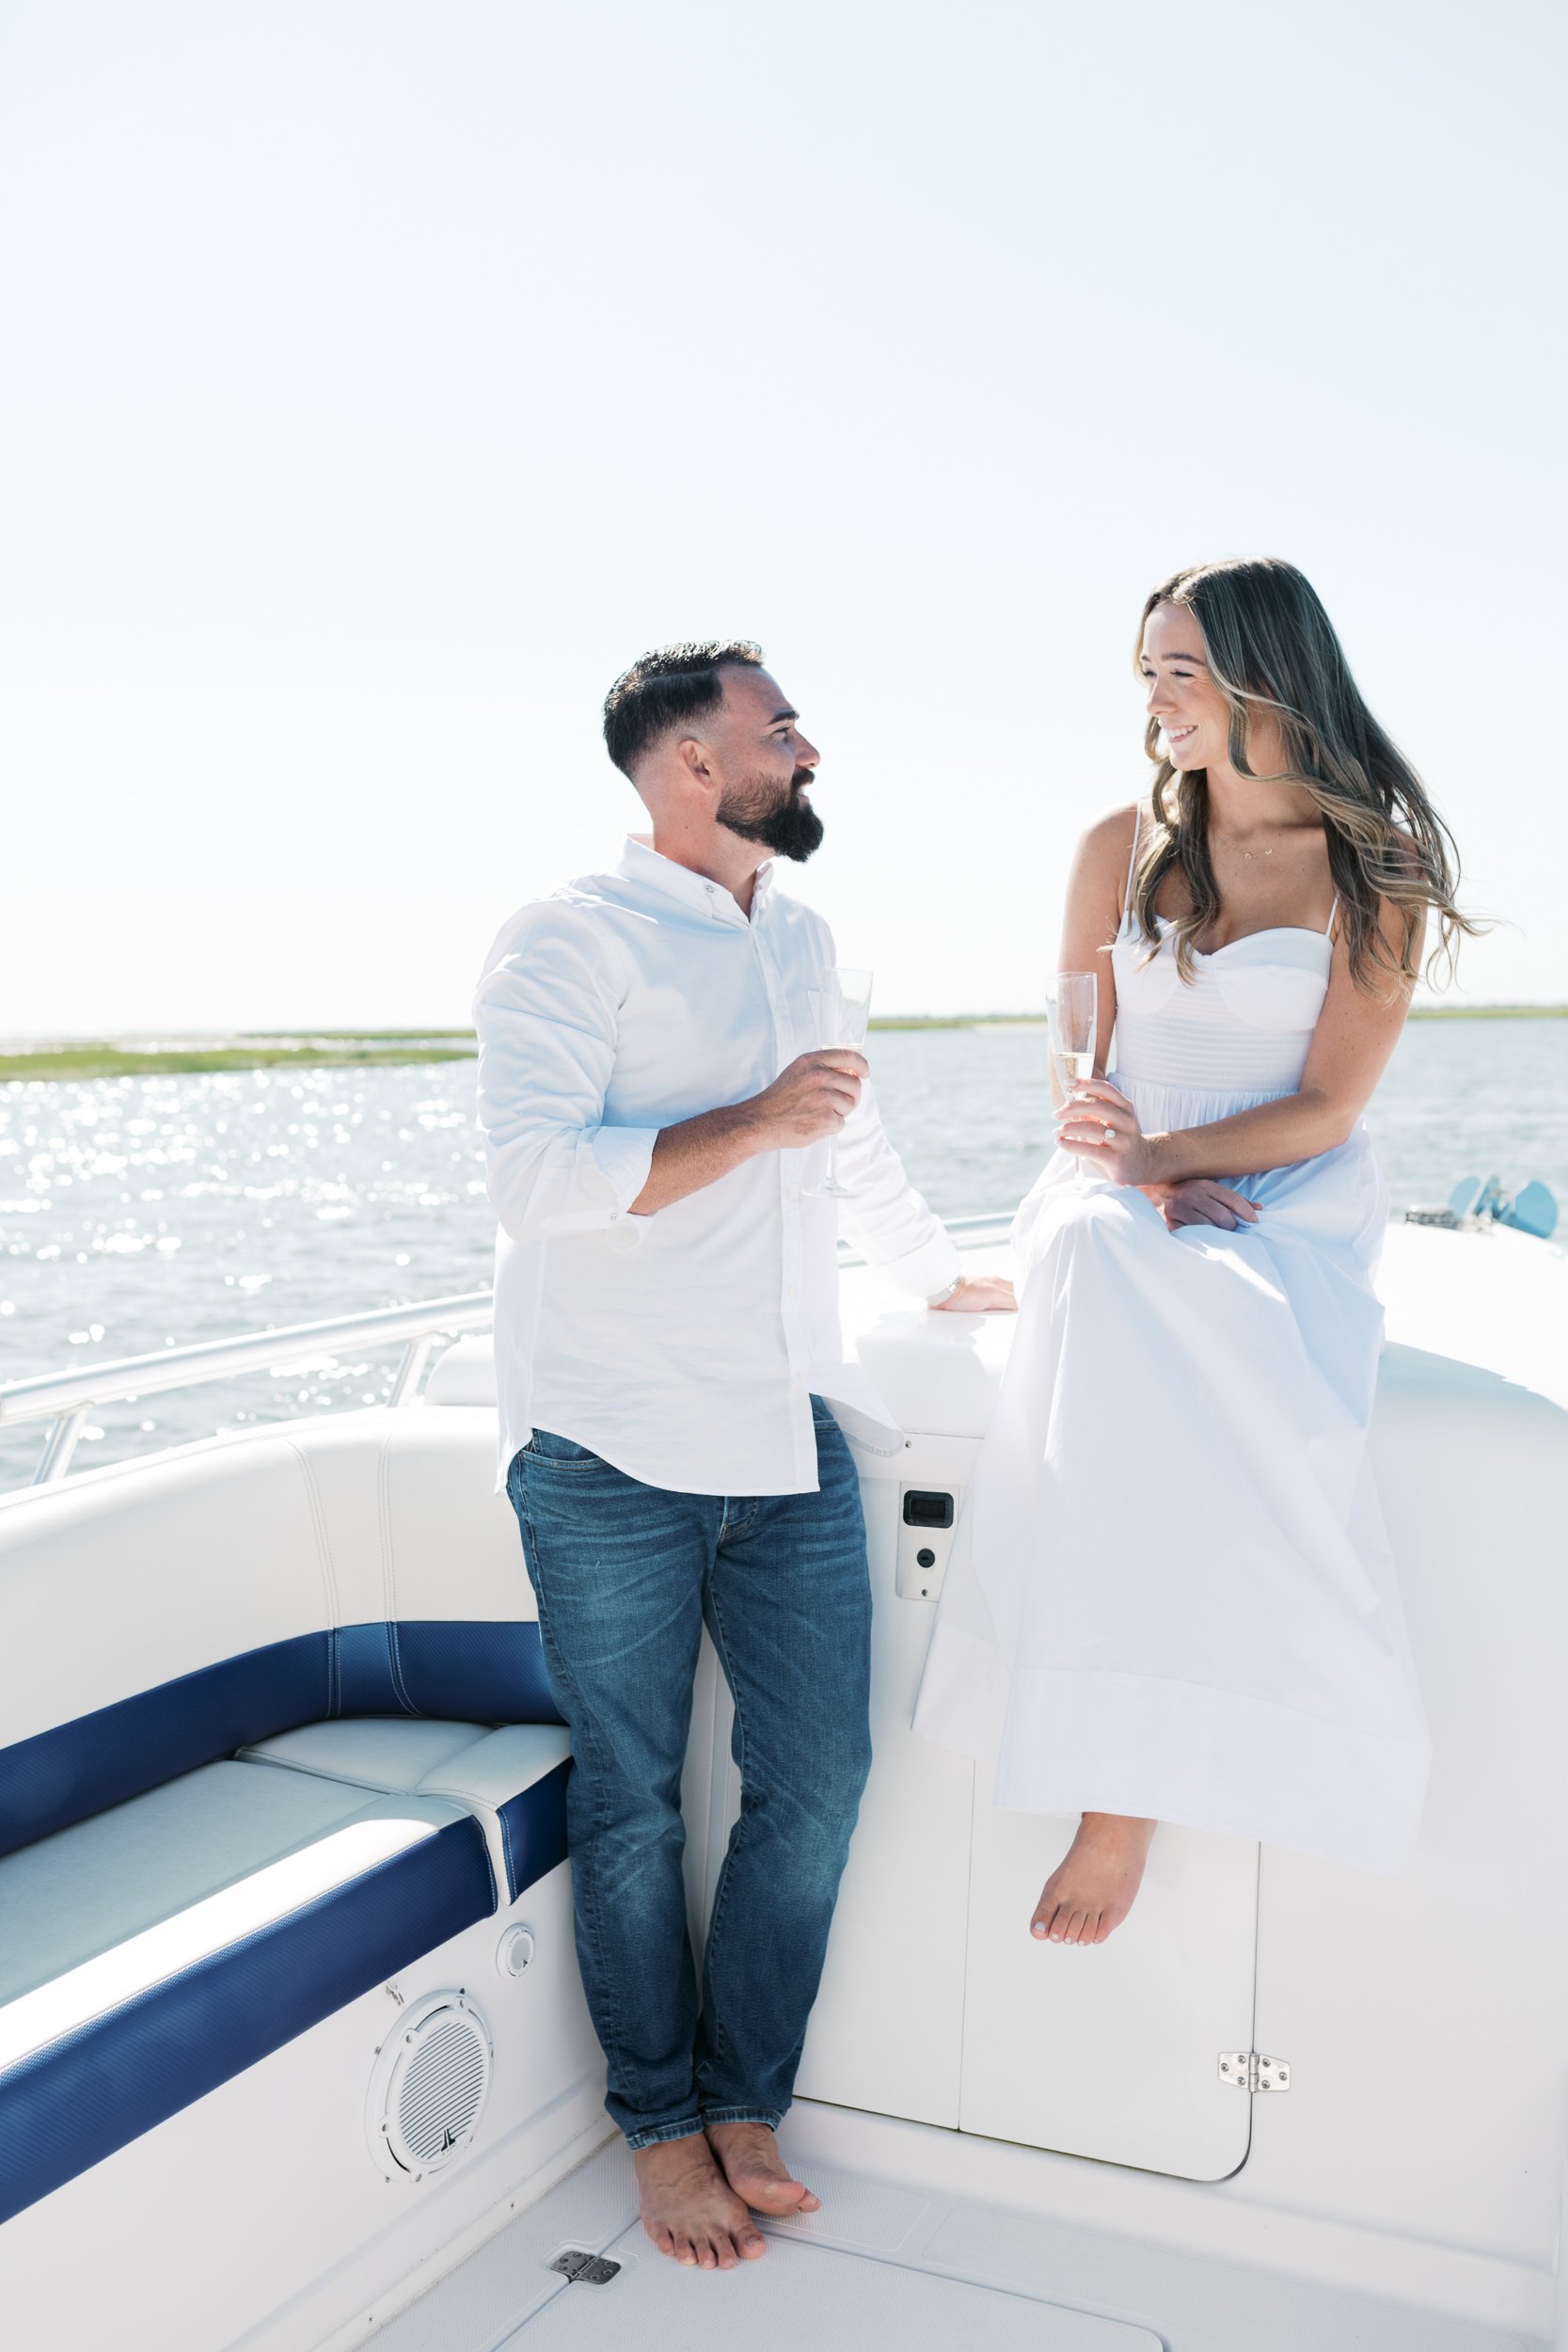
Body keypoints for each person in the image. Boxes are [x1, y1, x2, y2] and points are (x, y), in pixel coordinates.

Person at [474, 642, 1013, 2272]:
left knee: (819, 1783)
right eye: (779, 730)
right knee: (632, 1805)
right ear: (690, 767)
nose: (809, 749)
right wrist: (752, 1127)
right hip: (608, 1447)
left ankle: (743, 2097)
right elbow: (537, 1183)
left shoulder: (806, 933)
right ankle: (659, 2130)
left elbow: (845, 1132)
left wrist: (931, 1272)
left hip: (784, 1437)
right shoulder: (566, 937)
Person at [913, 557, 1475, 1947]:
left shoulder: (1376, 870)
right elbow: (1072, 1055)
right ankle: (1119, 1790)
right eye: (1148, 674)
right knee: (1107, 1259)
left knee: (1174, 1297)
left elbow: (1333, 1101)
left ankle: (1155, 1772)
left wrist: (1182, 1167)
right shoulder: (1122, 845)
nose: (1156, 702)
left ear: (1266, 679)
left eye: (1182, 672)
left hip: (1282, 1194)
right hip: (1114, 1182)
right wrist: (1128, 1158)